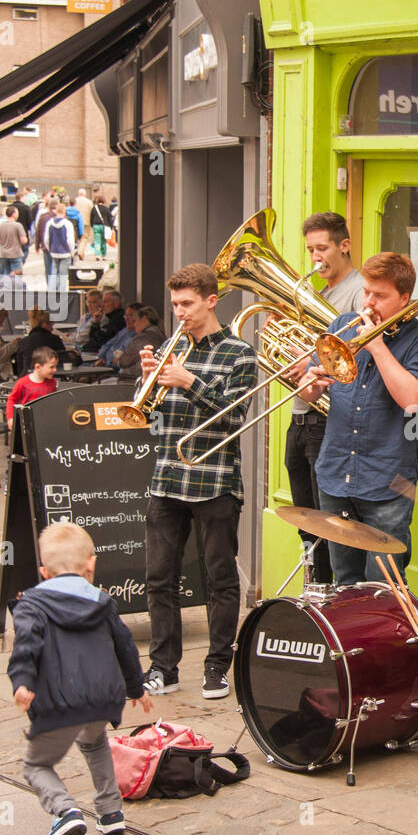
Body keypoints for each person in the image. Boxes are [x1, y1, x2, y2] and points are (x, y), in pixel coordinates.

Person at [139, 263, 257, 699]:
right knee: (159, 579)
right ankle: (163, 668)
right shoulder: (173, 349)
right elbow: (148, 416)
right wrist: (149, 382)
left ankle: (217, 667)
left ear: (211, 300)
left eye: (186, 304)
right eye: (174, 305)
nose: (179, 313)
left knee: (220, 579)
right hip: (167, 476)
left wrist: (187, 381)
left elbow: (235, 416)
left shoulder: (239, 353)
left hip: (214, 480)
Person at [7, 521, 151, 835]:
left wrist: (22, 683)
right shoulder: (103, 600)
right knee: (95, 740)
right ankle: (111, 812)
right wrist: (136, 687)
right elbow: (125, 646)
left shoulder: (31, 604)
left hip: (59, 700)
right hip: (102, 697)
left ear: (44, 572)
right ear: (91, 563)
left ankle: (66, 811)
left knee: (37, 765)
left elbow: (25, 648)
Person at [298, 252, 418, 584]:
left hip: (387, 479)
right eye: (366, 292)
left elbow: (412, 401)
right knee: (343, 581)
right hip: (336, 472)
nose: (369, 302)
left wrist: (377, 345)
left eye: (380, 295)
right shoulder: (341, 326)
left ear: (404, 298)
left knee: (383, 586)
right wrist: (311, 383)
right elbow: (308, 394)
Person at [284, 211, 364, 584]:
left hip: (326, 421)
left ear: (344, 245)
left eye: (322, 248)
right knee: (304, 519)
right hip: (300, 417)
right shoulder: (316, 294)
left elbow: (353, 361)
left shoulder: (356, 293)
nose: (315, 257)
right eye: (310, 249)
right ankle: (314, 586)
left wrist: (309, 359)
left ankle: (329, 593)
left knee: (326, 519)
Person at [6, 346, 60, 429]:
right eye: (51, 367)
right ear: (38, 367)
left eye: (56, 366)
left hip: (46, 422)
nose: (55, 370)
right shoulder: (23, 382)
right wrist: (10, 418)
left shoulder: (52, 383)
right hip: (27, 422)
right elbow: (12, 399)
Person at [14, 306, 68, 377]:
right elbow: (64, 361)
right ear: (44, 325)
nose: (52, 329)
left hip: (28, 379)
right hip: (50, 379)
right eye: (51, 326)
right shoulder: (54, 340)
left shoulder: (23, 342)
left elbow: (19, 368)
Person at [114, 305, 164, 380]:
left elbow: (123, 361)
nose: (134, 325)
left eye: (135, 321)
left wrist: (117, 360)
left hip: (132, 380)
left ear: (144, 319)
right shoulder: (160, 334)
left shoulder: (143, 338)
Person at [42, 199, 76, 291]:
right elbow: (70, 240)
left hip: (54, 251)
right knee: (63, 274)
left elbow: (46, 239)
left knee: (54, 273)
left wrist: (50, 248)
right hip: (65, 252)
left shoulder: (49, 223)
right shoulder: (67, 223)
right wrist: (72, 251)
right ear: (64, 211)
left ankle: (52, 290)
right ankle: (62, 292)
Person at [0, 205, 28, 282]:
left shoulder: (1, 225)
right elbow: (23, 240)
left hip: (4, 253)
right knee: (17, 274)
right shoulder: (18, 225)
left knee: (6, 274)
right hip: (15, 253)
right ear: (13, 214)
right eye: (17, 213)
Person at [74, 189, 94, 260]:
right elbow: (92, 211)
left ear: (78, 193)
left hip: (75, 221)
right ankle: (80, 251)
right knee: (84, 237)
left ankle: (78, 250)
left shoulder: (75, 200)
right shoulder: (89, 202)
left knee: (76, 237)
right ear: (85, 194)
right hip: (86, 221)